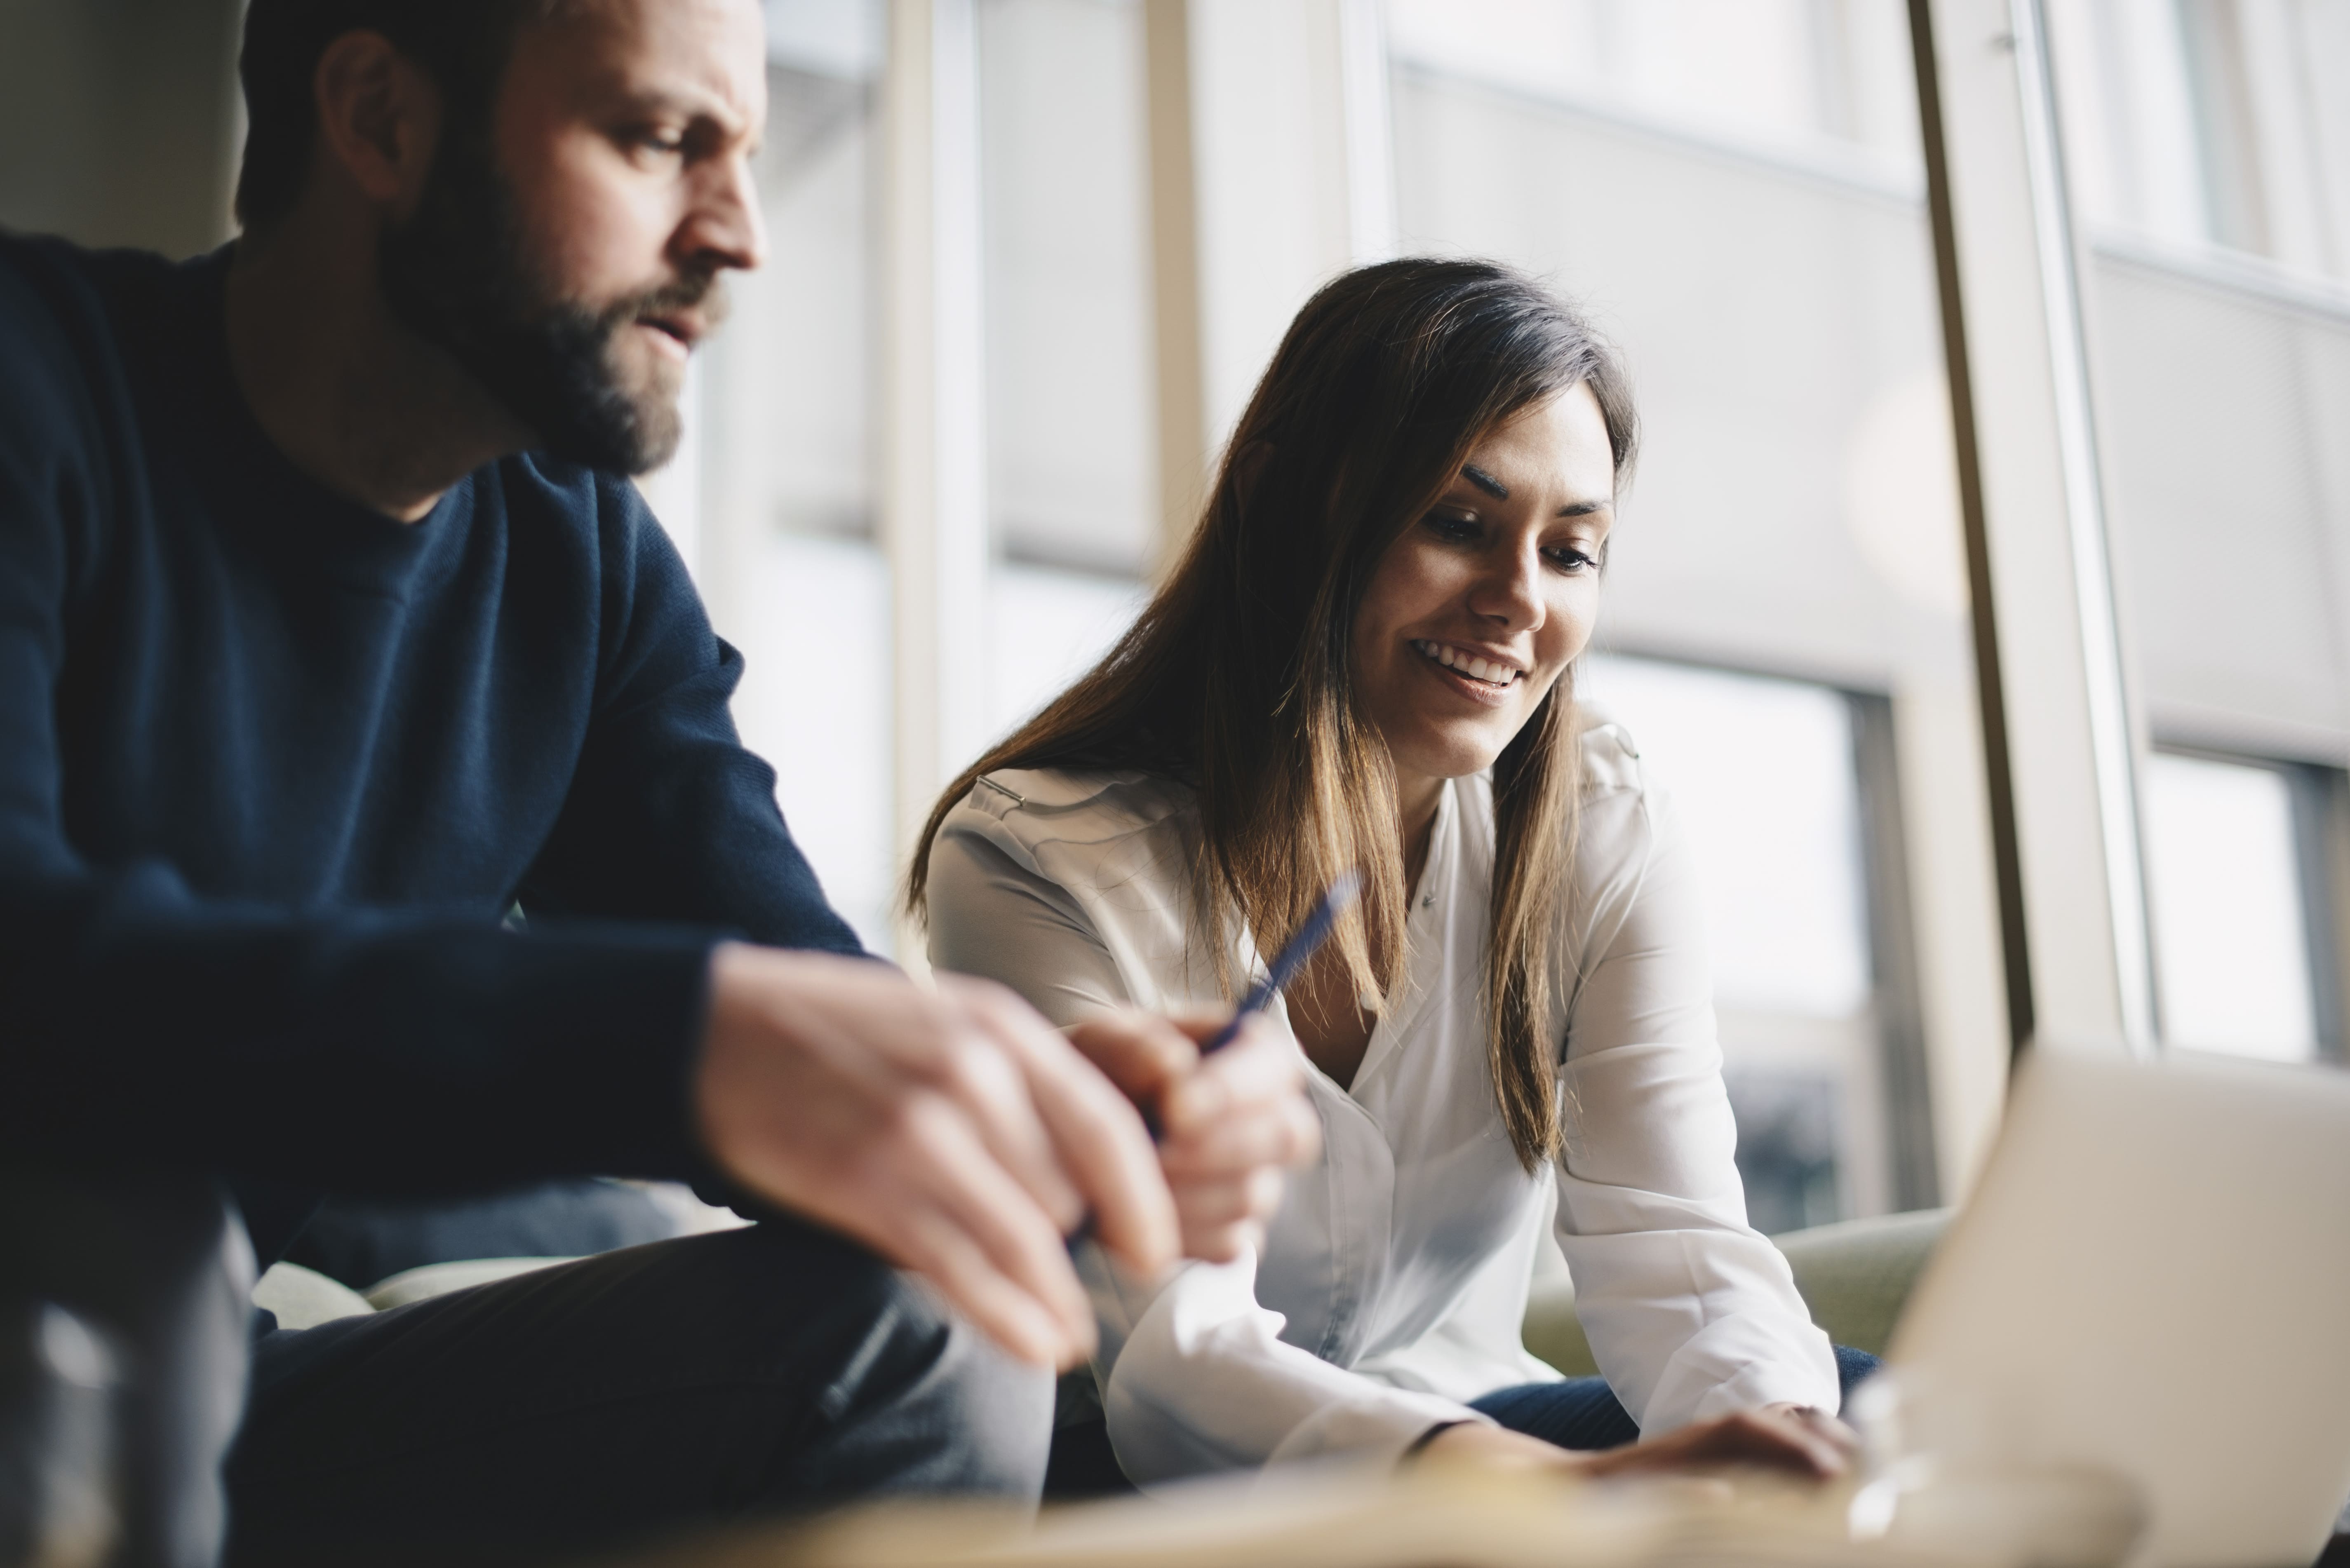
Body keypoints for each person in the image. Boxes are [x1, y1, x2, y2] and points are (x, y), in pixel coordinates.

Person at [0, 1, 1318, 1563]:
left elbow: (792, 991)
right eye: (658, 139)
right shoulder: (38, 384)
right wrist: (690, 1042)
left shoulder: (584, 564)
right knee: (119, 1237)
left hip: (222, 1411)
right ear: (378, 118)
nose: (742, 234)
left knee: (934, 1310)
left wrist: (1041, 1109)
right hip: (83, 1343)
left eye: (745, 155)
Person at [914, 258, 1874, 1491]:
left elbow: (1671, 1236)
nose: (1516, 600)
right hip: (1145, 1469)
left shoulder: (1598, 826)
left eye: (1569, 552)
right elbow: (1171, 1350)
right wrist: (1512, 1485)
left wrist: (1771, 1456)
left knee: (1845, 1410)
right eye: (1457, 524)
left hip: (1468, 1411)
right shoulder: (1034, 859)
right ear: (1286, 503)